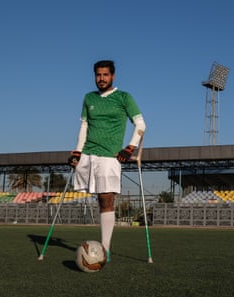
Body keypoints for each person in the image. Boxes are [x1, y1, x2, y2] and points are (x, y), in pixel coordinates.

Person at [69, 60, 146, 263]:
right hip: (88, 154)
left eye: (105, 75)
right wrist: (77, 151)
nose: (101, 78)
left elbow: (140, 123)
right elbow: (84, 126)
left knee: (107, 199)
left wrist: (129, 147)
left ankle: (106, 248)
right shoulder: (88, 98)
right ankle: (101, 243)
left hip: (109, 155)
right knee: (96, 198)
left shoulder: (123, 97)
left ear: (113, 76)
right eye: (97, 75)